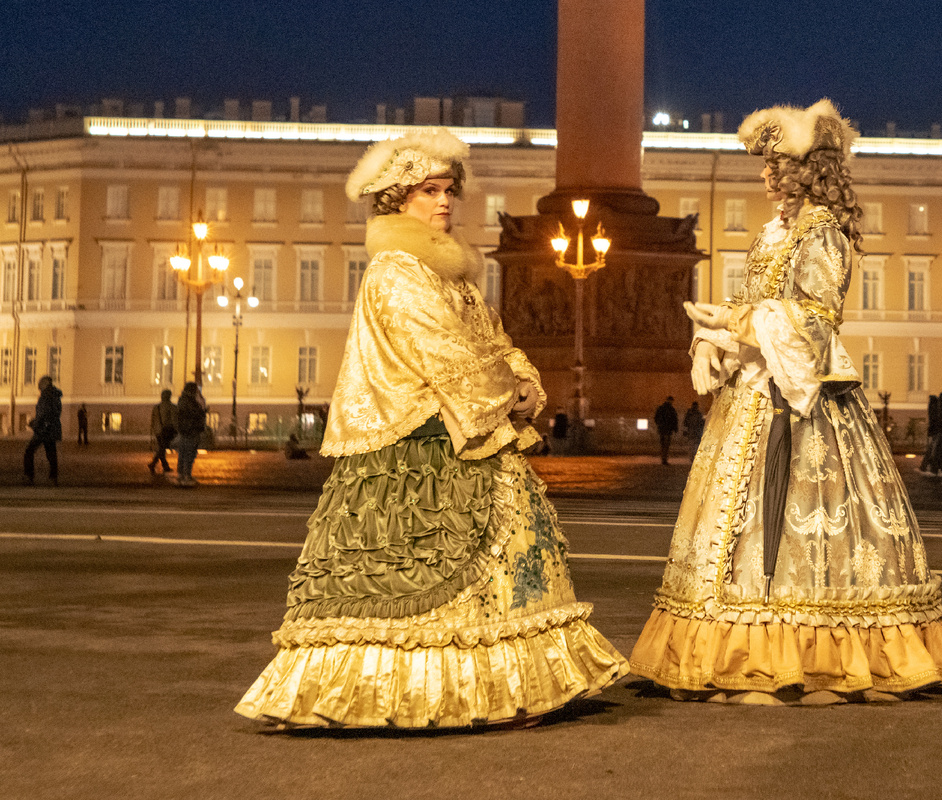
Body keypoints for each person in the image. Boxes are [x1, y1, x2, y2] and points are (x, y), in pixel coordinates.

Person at [236, 130, 626, 729]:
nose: (443, 202)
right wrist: (506, 391)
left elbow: (492, 340)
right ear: (397, 200)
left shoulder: (450, 274)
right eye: (428, 191)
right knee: (417, 572)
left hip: (467, 431)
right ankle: (396, 692)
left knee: (507, 562)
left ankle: (510, 683)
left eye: (447, 191)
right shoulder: (396, 271)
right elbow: (444, 354)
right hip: (417, 445)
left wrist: (522, 380)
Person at [628, 100, 942, 705]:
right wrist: (716, 340)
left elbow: (813, 321)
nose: (765, 176)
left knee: (804, 527)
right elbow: (758, 306)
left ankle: (810, 655)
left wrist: (736, 319)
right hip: (753, 397)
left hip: (803, 407)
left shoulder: (823, 234)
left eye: (775, 163)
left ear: (806, 169)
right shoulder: (772, 235)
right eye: (763, 164)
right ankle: (723, 648)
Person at [24, 375, 62, 486]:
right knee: (51, 455)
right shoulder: (55, 396)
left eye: (40, 383)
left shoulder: (45, 396)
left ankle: (29, 476)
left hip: (43, 430)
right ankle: (53, 478)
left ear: (45, 384)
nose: (38, 386)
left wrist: (34, 423)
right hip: (52, 428)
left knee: (29, 451)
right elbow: (55, 413)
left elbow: (43, 413)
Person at [175, 381, 206, 487]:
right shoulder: (189, 401)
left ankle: (183, 475)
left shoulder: (184, 400)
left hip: (187, 430)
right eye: (196, 389)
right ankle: (185, 475)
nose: (197, 391)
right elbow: (193, 414)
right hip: (190, 430)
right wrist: (202, 409)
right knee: (189, 453)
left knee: (184, 452)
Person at [149, 389, 177, 474]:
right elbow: (174, 420)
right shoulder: (172, 407)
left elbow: (153, 420)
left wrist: (153, 430)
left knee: (162, 448)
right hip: (167, 431)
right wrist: (176, 430)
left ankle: (164, 466)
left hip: (158, 431)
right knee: (162, 448)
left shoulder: (156, 407)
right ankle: (154, 464)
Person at [654, 396, 679, 464]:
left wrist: (660, 424)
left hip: (662, 429)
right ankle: (664, 459)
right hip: (668, 430)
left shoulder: (661, 408)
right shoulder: (671, 409)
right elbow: (674, 420)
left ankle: (663, 458)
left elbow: (656, 418)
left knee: (663, 445)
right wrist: (675, 428)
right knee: (666, 445)